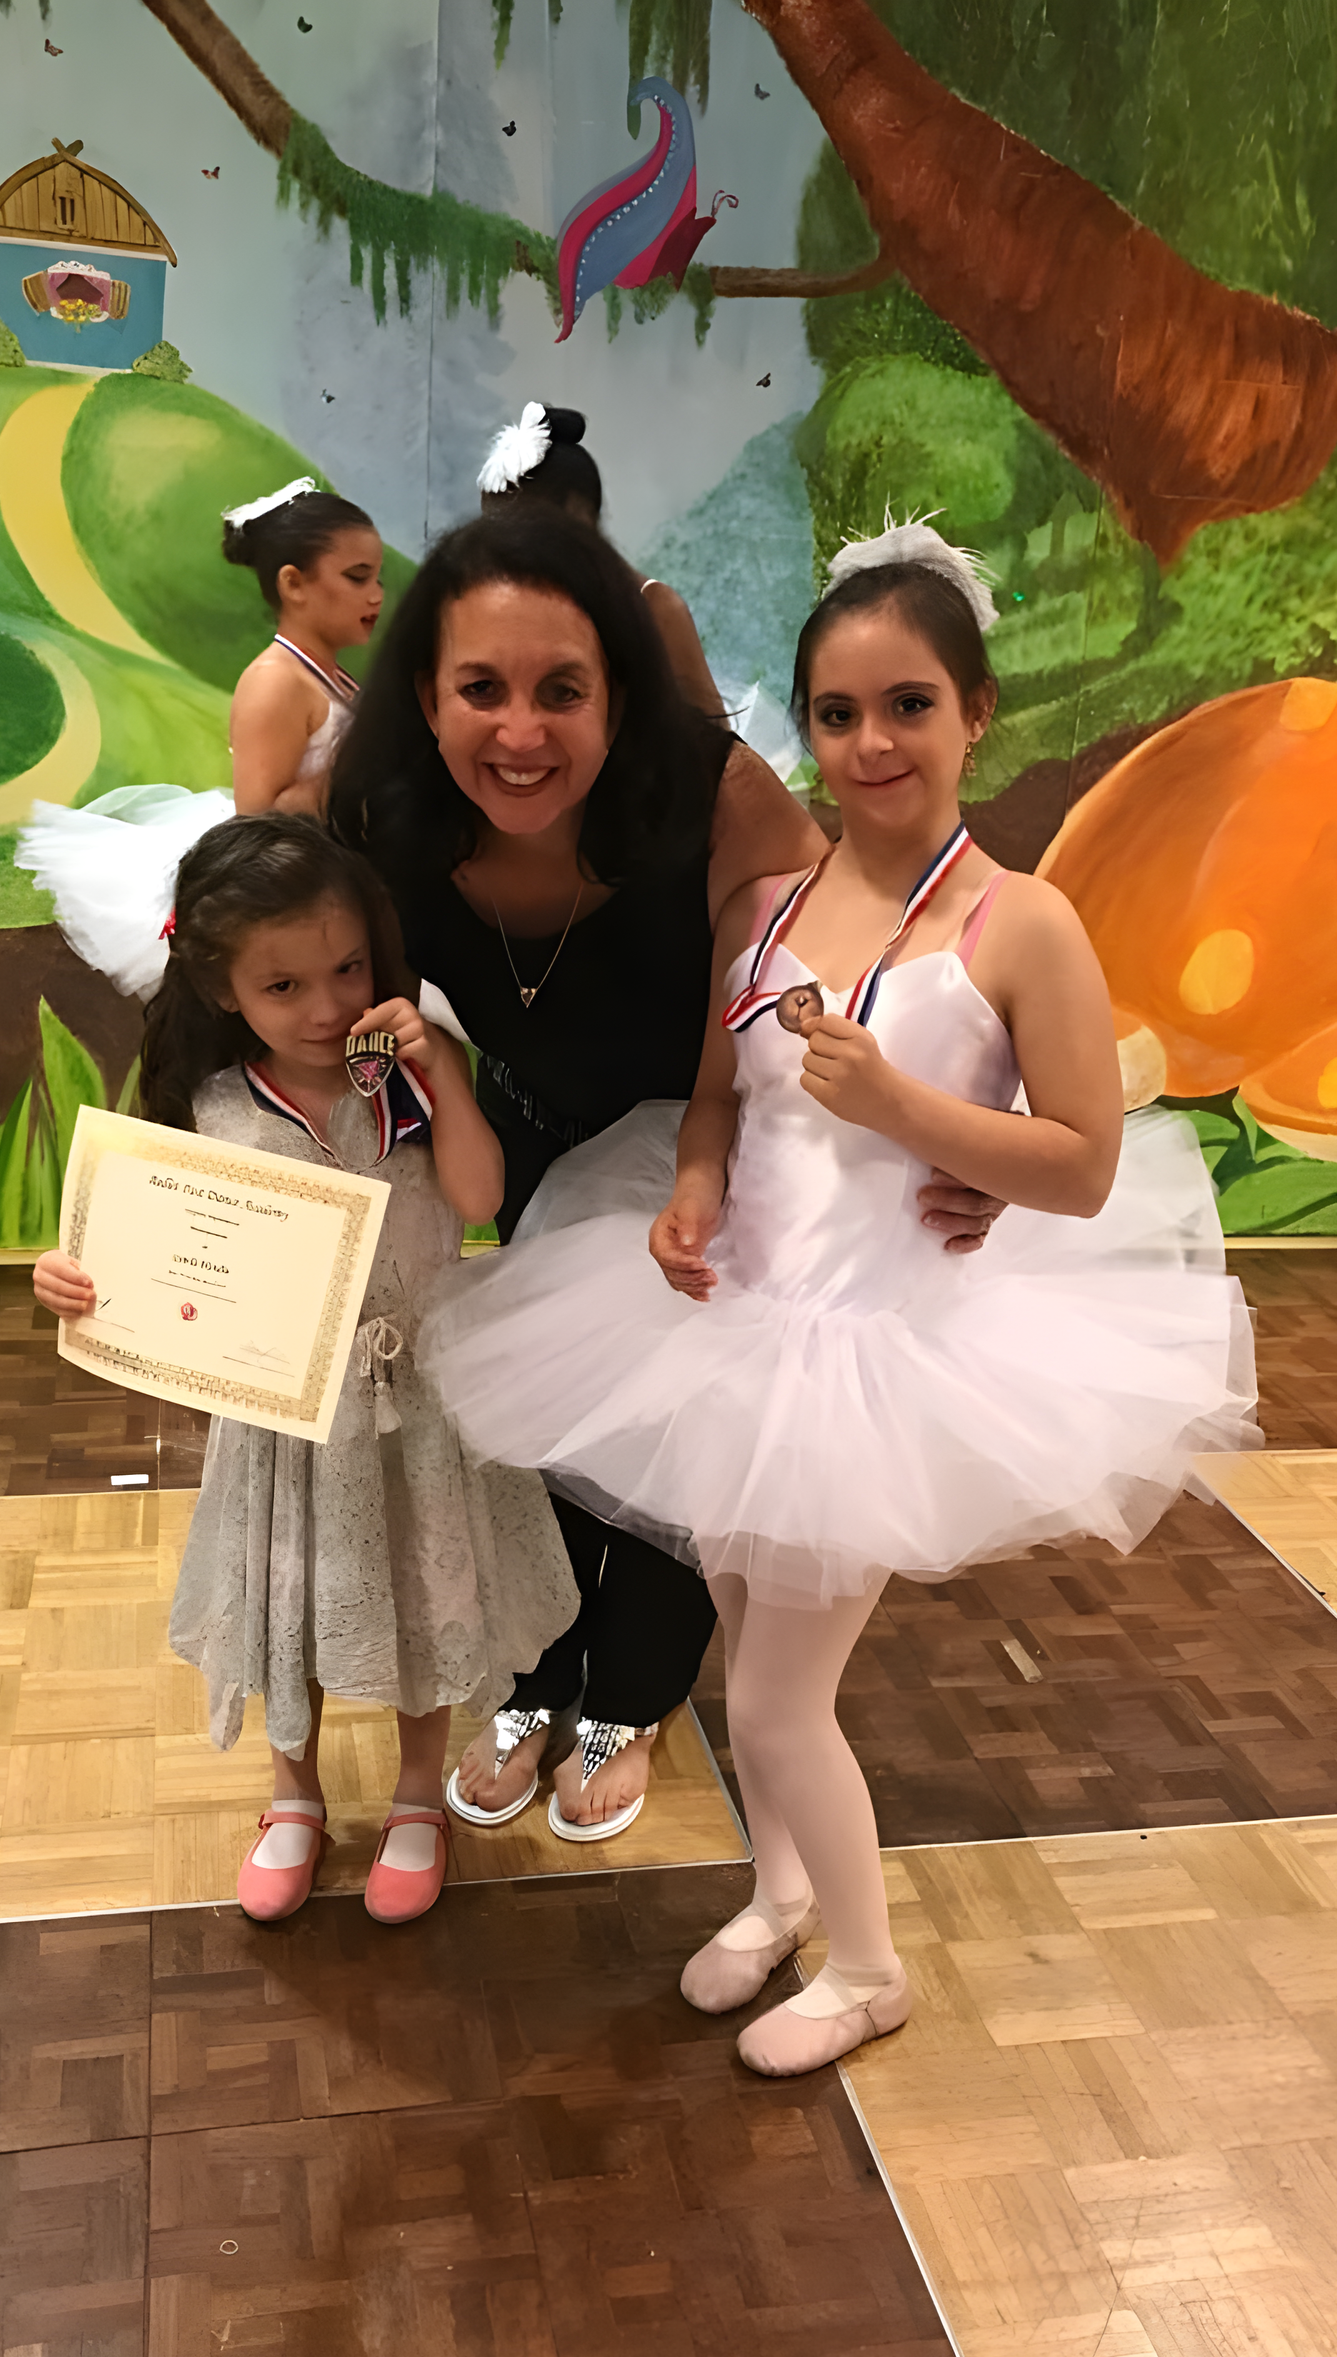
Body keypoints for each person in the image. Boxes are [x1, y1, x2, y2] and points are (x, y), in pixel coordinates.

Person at [420, 528, 1259, 2074]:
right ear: (802, 726)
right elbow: (718, 1092)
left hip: (891, 1343)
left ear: (976, 714)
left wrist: (908, 1112)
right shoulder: (767, 905)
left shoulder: (1024, 926)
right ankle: (782, 1894)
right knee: (749, 1659)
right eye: (837, 713)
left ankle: (868, 1968)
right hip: (740, 1320)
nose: (873, 745)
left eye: (910, 706)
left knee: (785, 1701)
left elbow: (1078, 1163)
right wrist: (689, 1183)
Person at [327, 508, 1004, 1844]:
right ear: (426, 693)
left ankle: (631, 1694)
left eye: (561, 690)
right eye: (482, 689)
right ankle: (534, 1673)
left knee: (686, 1435)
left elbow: (866, 958)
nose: (520, 733)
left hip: (720, 1138)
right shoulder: (376, 808)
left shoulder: (709, 786)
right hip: (521, 1128)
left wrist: (967, 1129)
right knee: (537, 1421)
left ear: (620, 693)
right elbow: (290, 983)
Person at [30, 813, 576, 1925]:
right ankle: (293, 1794)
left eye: (346, 969)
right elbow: (147, 1244)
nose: (327, 1007)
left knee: (429, 1590)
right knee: (292, 1603)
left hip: (424, 1399)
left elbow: (476, 1198)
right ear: (226, 989)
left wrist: (448, 1075)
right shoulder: (210, 1102)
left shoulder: (411, 1076)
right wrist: (76, 1278)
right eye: (284, 986)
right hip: (287, 1412)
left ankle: (419, 1794)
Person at [15, 482, 386, 997]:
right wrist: (360, 763)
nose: (376, 595)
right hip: (294, 889)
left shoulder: (332, 677)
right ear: (293, 584)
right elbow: (257, 816)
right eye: (357, 577)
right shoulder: (276, 681)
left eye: (378, 578)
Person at [477, 401, 726, 723]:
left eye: (524, 535)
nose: (508, 554)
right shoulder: (483, 608)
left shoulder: (653, 607)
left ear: (580, 520)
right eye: (491, 533)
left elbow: (717, 740)